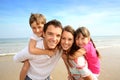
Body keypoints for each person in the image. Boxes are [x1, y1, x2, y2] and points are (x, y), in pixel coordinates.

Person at [19, 13, 56, 80]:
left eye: (39, 27)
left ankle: (48, 76)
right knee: (26, 65)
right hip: (32, 55)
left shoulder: (48, 33)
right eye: (33, 28)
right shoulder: (34, 36)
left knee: (45, 63)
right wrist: (47, 52)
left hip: (41, 59)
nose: (37, 30)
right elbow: (31, 49)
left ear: (45, 25)